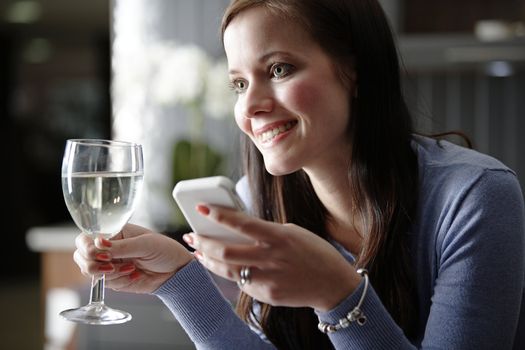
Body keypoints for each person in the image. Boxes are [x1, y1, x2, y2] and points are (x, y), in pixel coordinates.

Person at [73, 0, 525, 349]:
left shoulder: (474, 198)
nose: (249, 107)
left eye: (278, 69)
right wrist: (178, 280)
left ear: (355, 70)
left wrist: (341, 296)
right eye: (239, 83)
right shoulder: (256, 200)